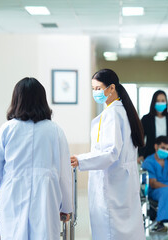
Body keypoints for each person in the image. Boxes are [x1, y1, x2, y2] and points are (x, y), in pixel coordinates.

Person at [0, 77, 72, 240]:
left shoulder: (7, 129)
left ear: (16, 99)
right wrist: (66, 206)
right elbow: (64, 173)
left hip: (13, 191)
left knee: (14, 234)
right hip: (46, 195)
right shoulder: (55, 131)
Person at [70, 69, 145, 240]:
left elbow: (111, 153)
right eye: (93, 89)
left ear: (111, 88)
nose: (94, 93)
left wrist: (80, 160)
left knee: (112, 231)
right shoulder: (120, 110)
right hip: (121, 183)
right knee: (125, 230)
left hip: (113, 184)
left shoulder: (113, 114)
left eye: (98, 88)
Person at [138, 90, 168, 163]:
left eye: (163, 100)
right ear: (153, 102)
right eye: (158, 101)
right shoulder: (146, 119)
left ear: (166, 102)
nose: (160, 103)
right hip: (150, 155)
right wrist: (141, 154)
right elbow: (140, 138)